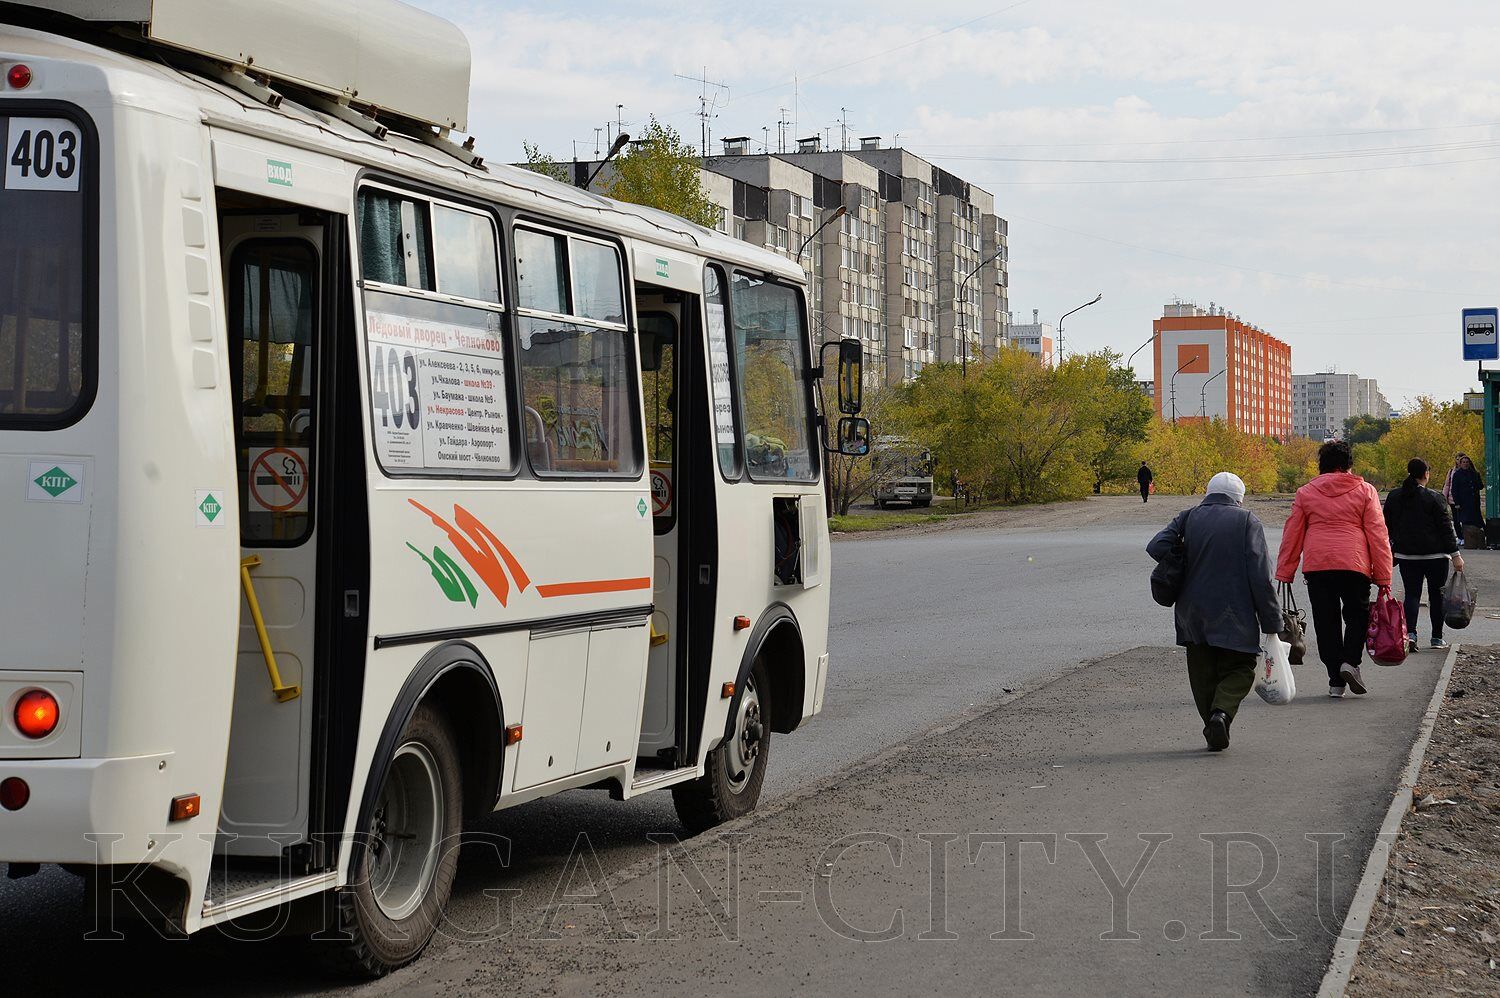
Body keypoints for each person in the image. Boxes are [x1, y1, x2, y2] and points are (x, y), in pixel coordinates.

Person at [1147, 472, 1280, 752]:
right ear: (1239, 499)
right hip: (1235, 612)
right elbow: (1261, 576)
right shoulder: (1247, 521)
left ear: (1208, 494)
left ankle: (1213, 725)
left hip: (1191, 612)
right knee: (1242, 668)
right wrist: (1271, 620)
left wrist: (1183, 552)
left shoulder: (1188, 516)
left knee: (1202, 674)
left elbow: (1156, 546)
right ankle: (1221, 714)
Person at [1276, 441, 1393, 699]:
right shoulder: (1366, 491)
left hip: (1318, 566)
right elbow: (1378, 534)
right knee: (1357, 616)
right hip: (1355, 564)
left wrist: (1285, 571)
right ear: (1349, 464)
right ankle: (1350, 662)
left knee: (1326, 623)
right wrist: (1383, 576)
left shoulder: (1306, 492)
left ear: (1322, 465)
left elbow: (1292, 534)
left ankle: (1335, 682)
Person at [1384, 458, 1463, 653]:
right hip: (1436, 556)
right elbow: (1446, 529)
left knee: (1412, 594)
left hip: (1407, 555)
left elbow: (1386, 527)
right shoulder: (1435, 498)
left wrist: (1393, 548)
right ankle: (1437, 637)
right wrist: (1456, 555)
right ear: (1426, 474)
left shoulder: (1395, 497)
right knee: (1436, 596)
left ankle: (1411, 635)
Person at [1444, 453, 1483, 543]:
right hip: (1462, 501)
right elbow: (1453, 489)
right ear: (1460, 464)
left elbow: (1480, 486)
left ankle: (1475, 538)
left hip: (1473, 501)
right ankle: (1464, 537)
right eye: (1463, 462)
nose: (1465, 464)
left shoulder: (1474, 474)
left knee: (1476, 519)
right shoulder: (1457, 474)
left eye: (1467, 462)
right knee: (1463, 520)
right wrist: (1456, 502)